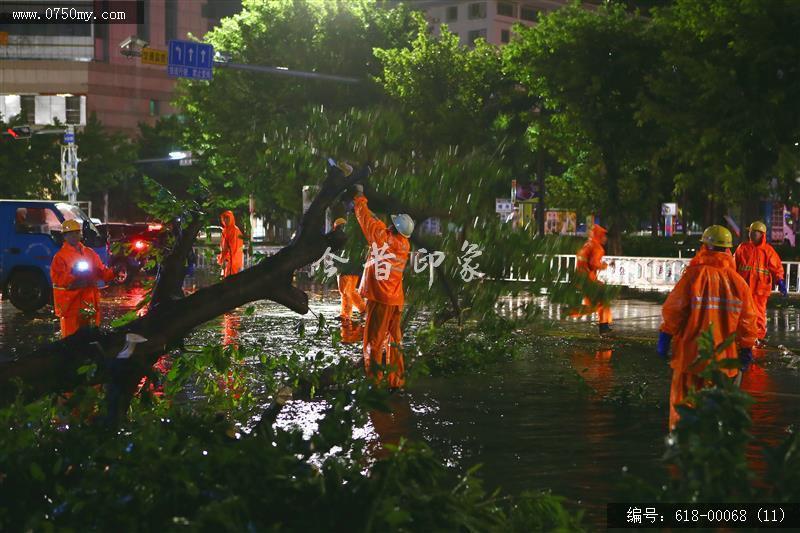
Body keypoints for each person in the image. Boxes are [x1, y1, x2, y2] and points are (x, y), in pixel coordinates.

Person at [657, 225, 758, 429]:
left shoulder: (694, 276)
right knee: (714, 418)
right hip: (722, 363)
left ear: (705, 246)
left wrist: (665, 337)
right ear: (728, 250)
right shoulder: (738, 283)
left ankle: (682, 450)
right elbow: (748, 320)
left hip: (689, 358)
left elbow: (674, 310)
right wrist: (746, 349)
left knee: (683, 412)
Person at [353, 184, 414, 389]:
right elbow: (378, 225)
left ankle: (375, 384)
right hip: (395, 299)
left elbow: (368, 221)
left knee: (373, 342)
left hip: (380, 298)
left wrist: (359, 196)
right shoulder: (404, 245)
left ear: (394, 227)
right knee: (395, 342)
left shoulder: (383, 239)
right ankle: (396, 381)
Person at [50, 219, 117, 338]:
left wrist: (114, 271)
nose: (74, 236)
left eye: (76, 233)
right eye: (70, 234)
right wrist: (72, 274)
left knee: (91, 339)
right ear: (64, 236)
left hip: (89, 304)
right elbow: (58, 280)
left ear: (80, 234)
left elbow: (102, 272)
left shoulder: (89, 253)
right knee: (71, 341)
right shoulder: (60, 257)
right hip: (71, 306)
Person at [734, 221, 787, 343]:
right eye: (750, 232)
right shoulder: (742, 248)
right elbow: (733, 265)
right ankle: (742, 337)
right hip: (744, 288)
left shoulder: (768, 251)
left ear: (762, 234)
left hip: (760, 290)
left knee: (758, 314)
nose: (751, 234)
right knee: (742, 313)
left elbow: (776, 267)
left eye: (754, 232)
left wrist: (780, 281)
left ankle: (759, 338)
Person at [572, 224, 614, 335]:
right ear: (599, 235)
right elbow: (593, 264)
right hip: (589, 281)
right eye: (604, 236)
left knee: (600, 303)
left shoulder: (587, 245)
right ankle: (568, 312)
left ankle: (604, 326)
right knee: (598, 304)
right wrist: (603, 266)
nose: (605, 238)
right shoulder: (597, 248)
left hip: (582, 280)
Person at [333, 217, 367, 322]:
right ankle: (363, 309)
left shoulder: (340, 237)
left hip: (345, 269)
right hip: (354, 268)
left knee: (345, 292)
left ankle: (346, 314)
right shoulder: (355, 237)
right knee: (351, 291)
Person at [218, 210, 243, 277]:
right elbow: (223, 246)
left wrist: (226, 260)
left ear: (231, 218)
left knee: (230, 281)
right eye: (224, 218)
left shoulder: (235, 231)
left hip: (233, 261)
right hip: (228, 261)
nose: (225, 220)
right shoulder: (225, 230)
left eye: (227, 218)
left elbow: (233, 248)